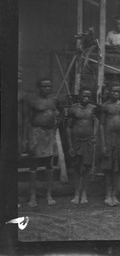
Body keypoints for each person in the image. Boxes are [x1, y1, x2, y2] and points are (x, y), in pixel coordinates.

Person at [25, 78, 64, 207]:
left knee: (49, 164)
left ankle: (49, 195)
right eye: (44, 86)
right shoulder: (33, 100)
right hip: (36, 134)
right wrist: (28, 138)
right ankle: (32, 196)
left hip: (49, 134)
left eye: (49, 86)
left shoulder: (54, 99)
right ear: (39, 87)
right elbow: (27, 119)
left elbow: (62, 112)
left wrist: (56, 126)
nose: (47, 88)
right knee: (34, 165)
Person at [66, 87, 99, 205]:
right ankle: (76, 193)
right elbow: (69, 127)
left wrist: (94, 136)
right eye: (84, 96)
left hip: (88, 142)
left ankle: (84, 193)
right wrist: (70, 146)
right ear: (79, 96)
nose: (86, 98)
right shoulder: (73, 109)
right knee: (76, 167)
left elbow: (97, 122)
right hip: (76, 142)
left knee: (86, 167)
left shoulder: (93, 108)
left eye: (88, 96)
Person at [100, 82, 120, 206]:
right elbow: (101, 125)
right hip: (109, 138)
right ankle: (107, 194)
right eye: (114, 91)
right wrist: (104, 144)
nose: (116, 94)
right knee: (108, 168)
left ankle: (114, 194)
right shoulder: (105, 106)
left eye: (118, 92)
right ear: (109, 92)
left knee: (117, 168)